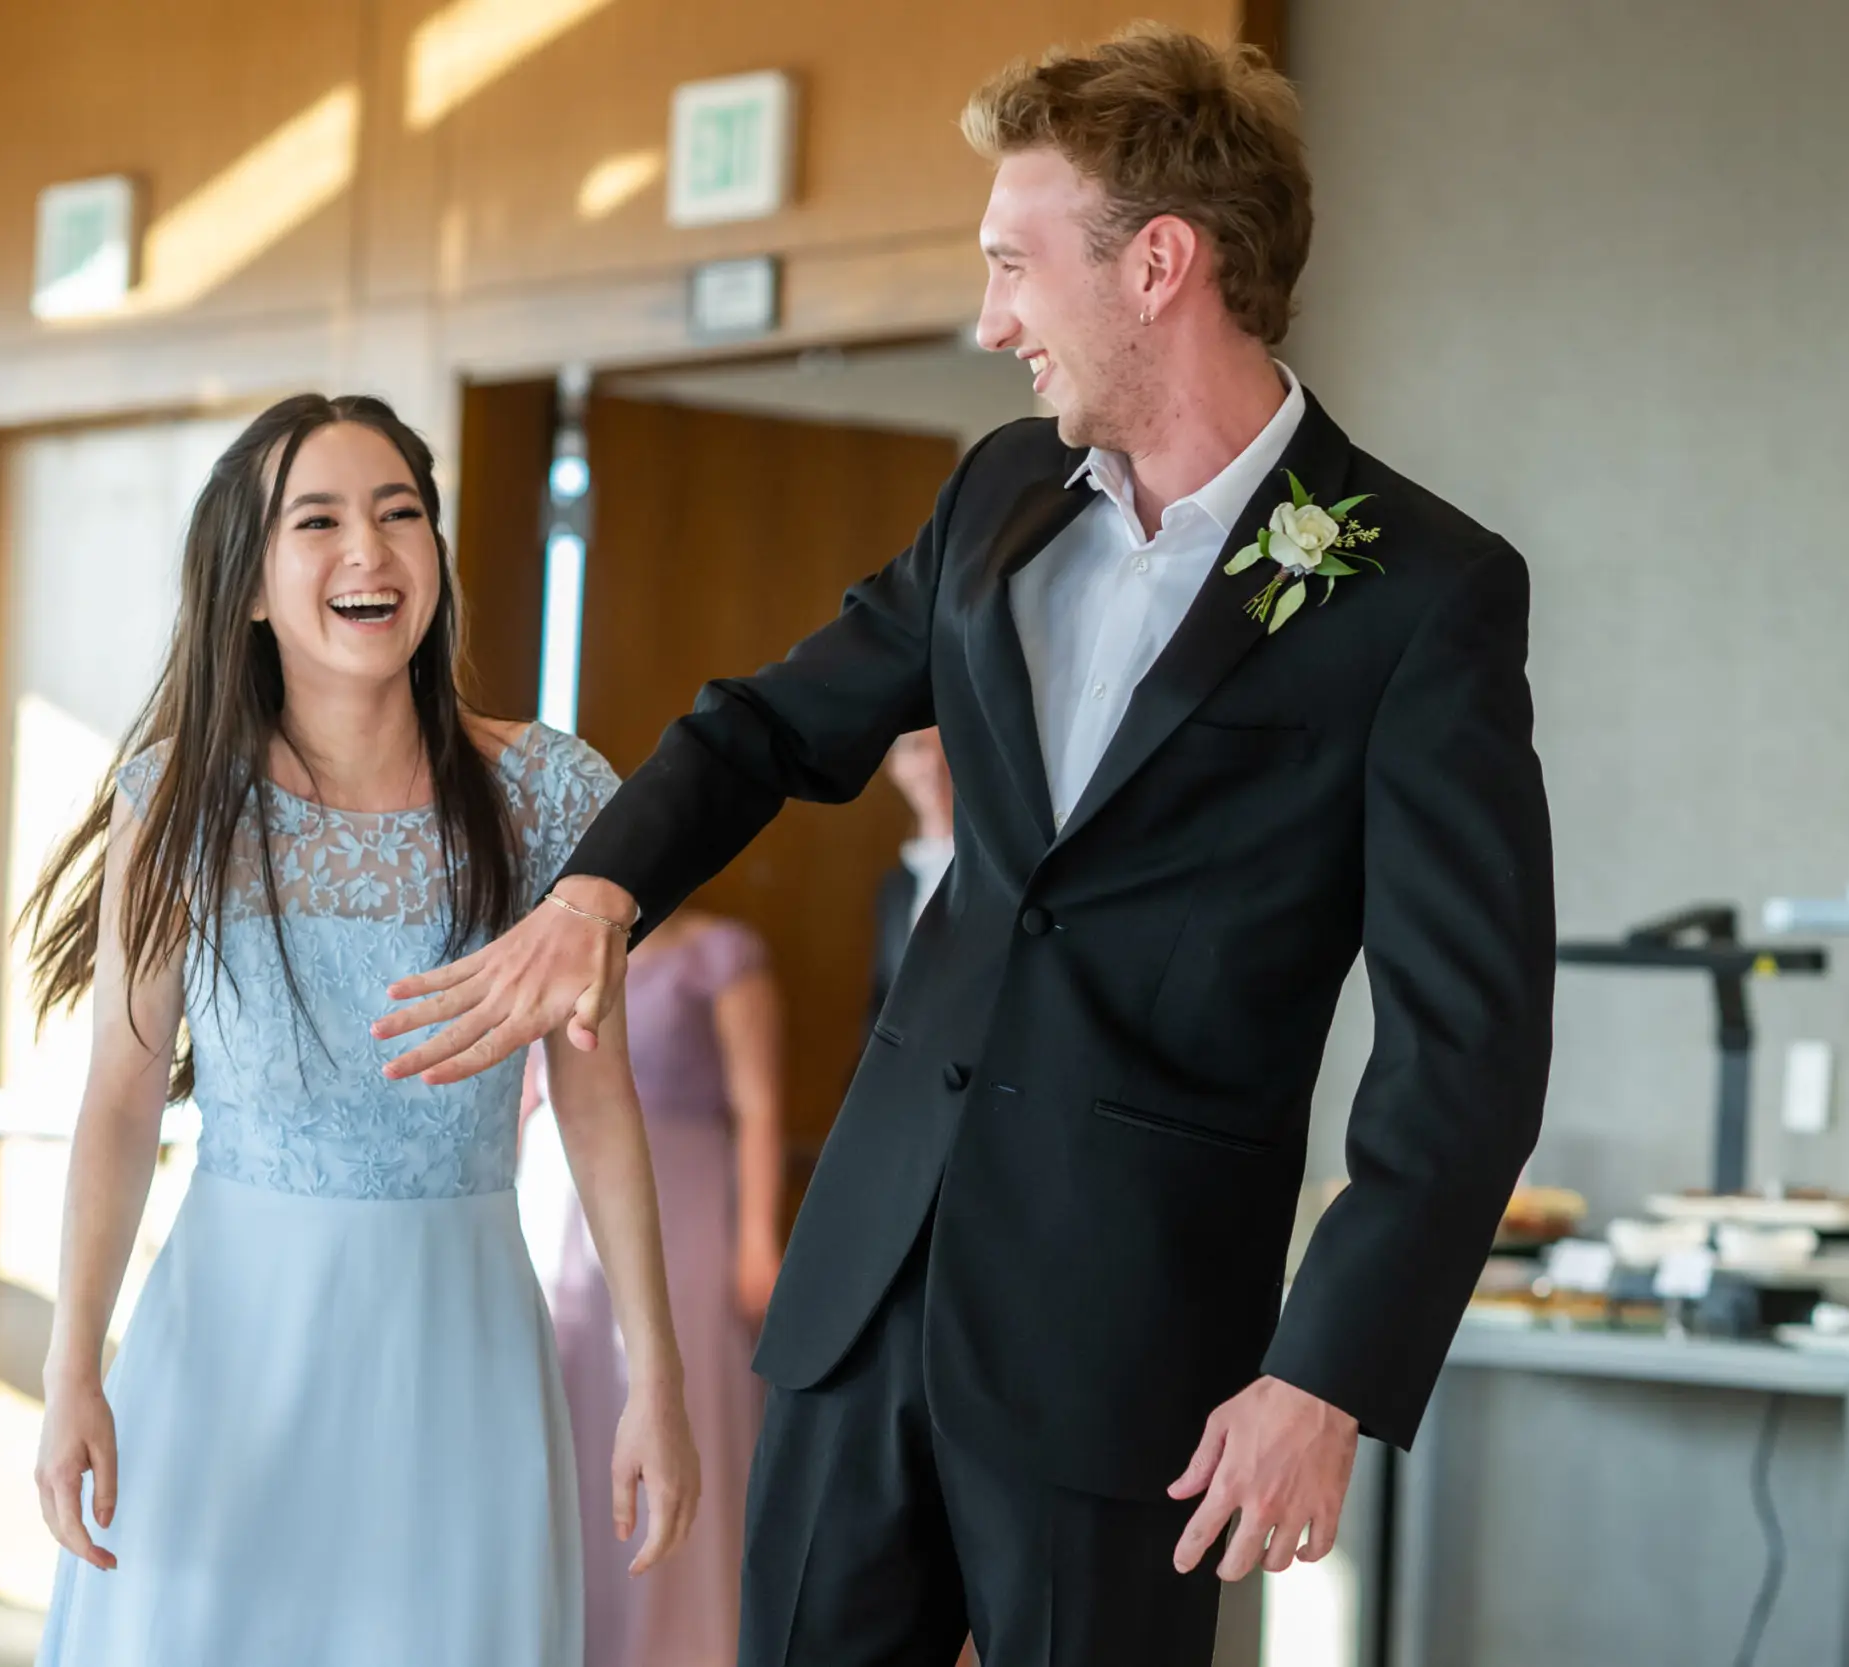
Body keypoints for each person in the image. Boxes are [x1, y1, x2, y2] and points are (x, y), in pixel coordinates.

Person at [376, 24, 1555, 1667]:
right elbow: (762, 726)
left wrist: (1327, 1373)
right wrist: (600, 890)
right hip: (865, 1300)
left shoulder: (1420, 592)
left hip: (1137, 1357)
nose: (989, 317)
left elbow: (1469, 1049)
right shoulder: (1000, 495)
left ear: (1161, 263)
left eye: (1015, 265)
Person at [21, 393, 697, 1666]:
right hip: (227, 1344)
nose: (369, 553)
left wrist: (655, 1371)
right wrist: (72, 1366)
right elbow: (118, 1098)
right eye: (317, 520)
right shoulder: (177, 798)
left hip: (459, 1350)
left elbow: (601, 1108)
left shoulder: (546, 792)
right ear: (253, 584)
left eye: (401, 515)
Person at [527, 910, 784, 1667]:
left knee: (676, 1397)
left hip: (683, 1206)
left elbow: (760, 1105)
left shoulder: (722, 952)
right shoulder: (552, 943)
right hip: (553, 1200)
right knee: (568, 1405)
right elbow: (527, 1096)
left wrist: (758, 1239)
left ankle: (677, 1642)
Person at [869, 729, 955, 1034]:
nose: (934, 762)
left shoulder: (1011, 871)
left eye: (950, 741)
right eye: (917, 747)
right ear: (892, 765)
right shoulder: (896, 888)